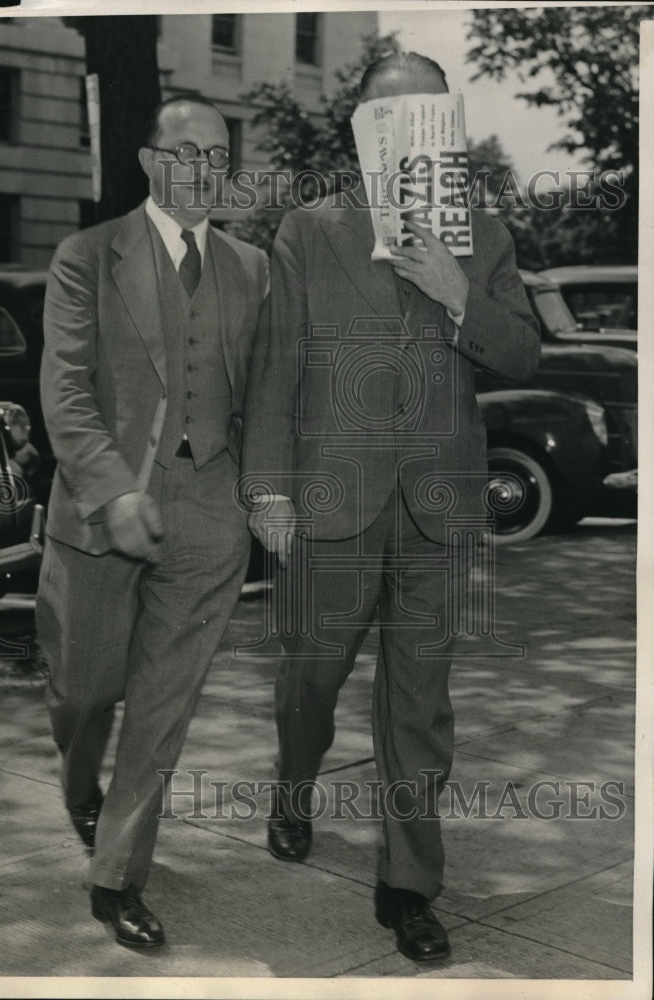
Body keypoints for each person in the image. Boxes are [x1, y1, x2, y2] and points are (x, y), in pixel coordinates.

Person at [242, 51, 540, 962]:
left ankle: (408, 885)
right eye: (392, 115)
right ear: (362, 129)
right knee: (310, 685)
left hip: (437, 507)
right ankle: (294, 787)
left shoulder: (481, 232)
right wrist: (267, 489)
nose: (413, 130)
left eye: (429, 114)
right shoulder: (307, 229)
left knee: (418, 709)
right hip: (330, 502)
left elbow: (523, 355)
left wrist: (458, 295)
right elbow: (274, 372)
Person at [36, 93, 269, 950]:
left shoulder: (252, 266)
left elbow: (268, 396)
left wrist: (265, 491)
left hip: (211, 512)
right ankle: (75, 774)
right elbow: (64, 388)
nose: (201, 170)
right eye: (185, 153)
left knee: (163, 706)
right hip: (105, 512)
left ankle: (116, 875)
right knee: (86, 689)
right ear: (147, 161)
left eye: (217, 157)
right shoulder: (86, 256)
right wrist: (112, 488)